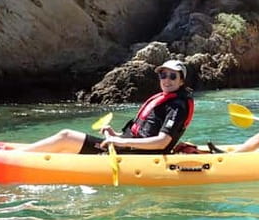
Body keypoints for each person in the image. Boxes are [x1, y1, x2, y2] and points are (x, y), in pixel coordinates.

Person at [23, 60, 194, 155]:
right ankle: (21, 153)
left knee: (66, 136)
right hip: (128, 146)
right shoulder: (165, 100)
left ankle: (15, 157)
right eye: (163, 75)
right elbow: (141, 133)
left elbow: (162, 142)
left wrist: (120, 141)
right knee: (66, 145)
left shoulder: (177, 106)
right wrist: (117, 135)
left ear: (181, 81)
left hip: (138, 155)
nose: (167, 80)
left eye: (173, 76)